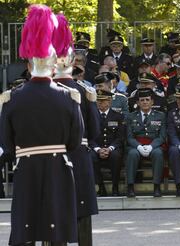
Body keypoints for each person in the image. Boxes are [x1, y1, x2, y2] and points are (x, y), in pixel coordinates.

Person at [0, 5, 83, 245]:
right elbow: (75, 141)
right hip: (58, 166)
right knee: (56, 229)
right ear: (54, 64)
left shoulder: (11, 98)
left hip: (26, 168)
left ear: (29, 65)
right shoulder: (69, 97)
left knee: (25, 227)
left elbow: (6, 142)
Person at [52, 14, 100, 246]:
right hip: (79, 156)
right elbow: (95, 131)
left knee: (54, 210)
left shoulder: (46, 90)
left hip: (51, 156)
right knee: (82, 213)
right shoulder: (84, 91)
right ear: (73, 62)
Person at [125, 88, 166, 197]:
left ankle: (157, 186)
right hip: (136, 145)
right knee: (132, 154)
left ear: (152, 102)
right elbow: (129, 137)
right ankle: (130, 186)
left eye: (147, 100)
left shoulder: (160, 116)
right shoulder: (130, 116)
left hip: (154, 145)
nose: (145, 102)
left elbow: (162, 136)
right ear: (138, 102)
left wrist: (151, 147)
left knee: (158, 154)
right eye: (142, 100)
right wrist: (138, 147)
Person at [90, 89, 125, 197]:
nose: (100, 103)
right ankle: (101, 187)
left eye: (103, 100)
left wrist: (110, 148)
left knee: (116, 156)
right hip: (96, 148)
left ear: (109, 101)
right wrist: (98, 149)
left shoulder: (118, 116)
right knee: (91, 157)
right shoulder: (91, 116)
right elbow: (88, 136)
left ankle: (115, 187)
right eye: (98, 100)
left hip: (112, 148)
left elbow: (120, 137)